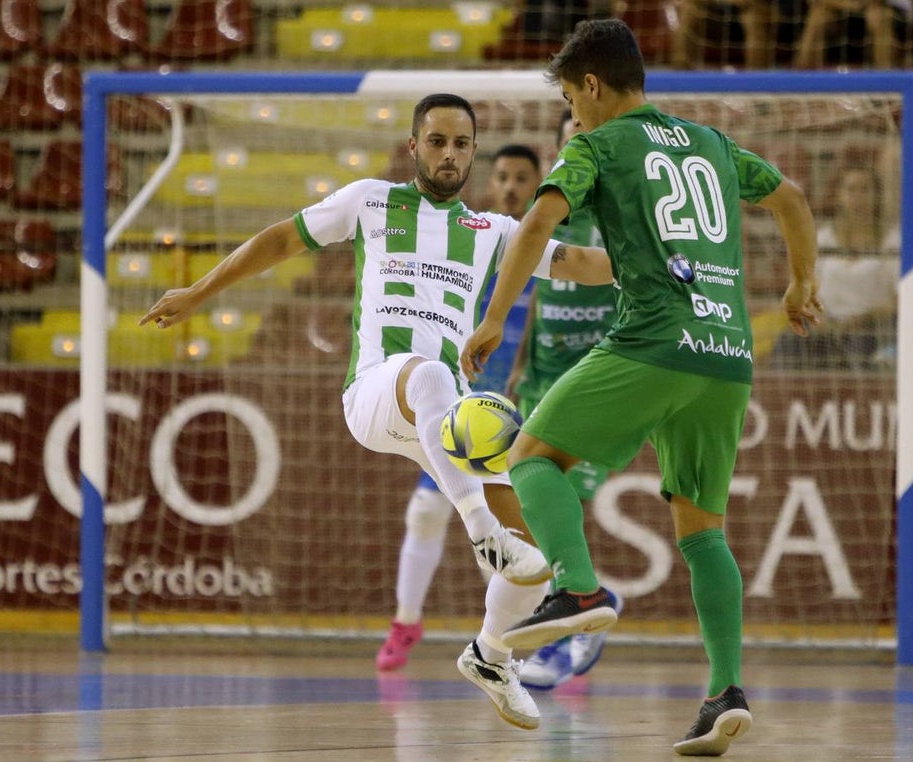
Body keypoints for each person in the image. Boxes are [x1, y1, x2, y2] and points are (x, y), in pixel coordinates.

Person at [139, 93, 614, 732]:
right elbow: (283, 237)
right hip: (374, 393)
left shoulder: (494, 232)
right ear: (414, 147)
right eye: (437, 141)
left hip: (445, 413)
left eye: (462, 144)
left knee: (534, 553)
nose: (450, 154)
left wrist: (657, 270)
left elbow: (580, 263)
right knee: (435, 378)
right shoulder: (372, 200)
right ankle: (482, 539)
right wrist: (199, 291)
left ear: (473, 152)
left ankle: (492, 653)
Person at [460, 19, 821, 756]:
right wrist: (798, 287)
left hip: (655, 338)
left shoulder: (597, 144)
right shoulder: (714, 145)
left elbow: (538, 223)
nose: (574, 112)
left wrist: (496, 318)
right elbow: (792, 200)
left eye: (571, 96)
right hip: (728, 356)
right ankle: (724, 691)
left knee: (528, 457)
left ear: (591, 86)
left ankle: (581, 586)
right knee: (703, 531)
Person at [375, 142, 544, 672]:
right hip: (453, 399)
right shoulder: (473, 242)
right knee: (430, 512)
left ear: (538, 188)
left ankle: (504, 641)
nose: (512, 187)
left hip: (509, 411)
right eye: (503, 177)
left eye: (523, 178)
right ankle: (407, 621)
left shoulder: (539, 253)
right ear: (490, 184)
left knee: (509, 530)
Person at [503, 110, 623, 690]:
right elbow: (538, 299)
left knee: (561, 495)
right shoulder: (546, 215)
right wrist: (520, 365)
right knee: (537, 512)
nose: (581, 143)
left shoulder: (621, 212)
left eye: (591, 135)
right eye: (572, 135)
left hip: (596, 380)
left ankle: (570, 618)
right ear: (558, 149)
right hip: (540, 380)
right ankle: (585, 603)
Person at [769, 165, 899, 369]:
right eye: (851, 189)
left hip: (872, 328)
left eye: (865, 189)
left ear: (877, 195)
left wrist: (865, 318)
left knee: (858, 344)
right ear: (840, 195)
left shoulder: (890, 241)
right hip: (825, 325)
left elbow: (898, 298)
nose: (858, 197)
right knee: (789, 341)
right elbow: (805, 288)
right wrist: (822, 318)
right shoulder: (823, 238)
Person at [792, 0, 913, 69]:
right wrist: (850, 5)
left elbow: (876, 2)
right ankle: (800, 78)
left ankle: (887, 80)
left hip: (887, 9)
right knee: (818, 16)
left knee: (877, 17)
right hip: (844, 8)